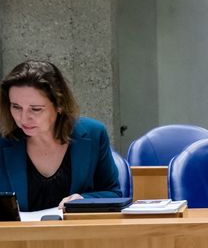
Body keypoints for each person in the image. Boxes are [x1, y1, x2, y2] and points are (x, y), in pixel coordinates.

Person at [1, 60, 120, 211]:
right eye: (16, 107)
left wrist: (84, 200)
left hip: (78, 232)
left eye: (36, 109)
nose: (23, 118)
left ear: (60, 105)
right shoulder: (3, 141)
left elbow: (114, 193)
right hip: (18, 234)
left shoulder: (94, 134)